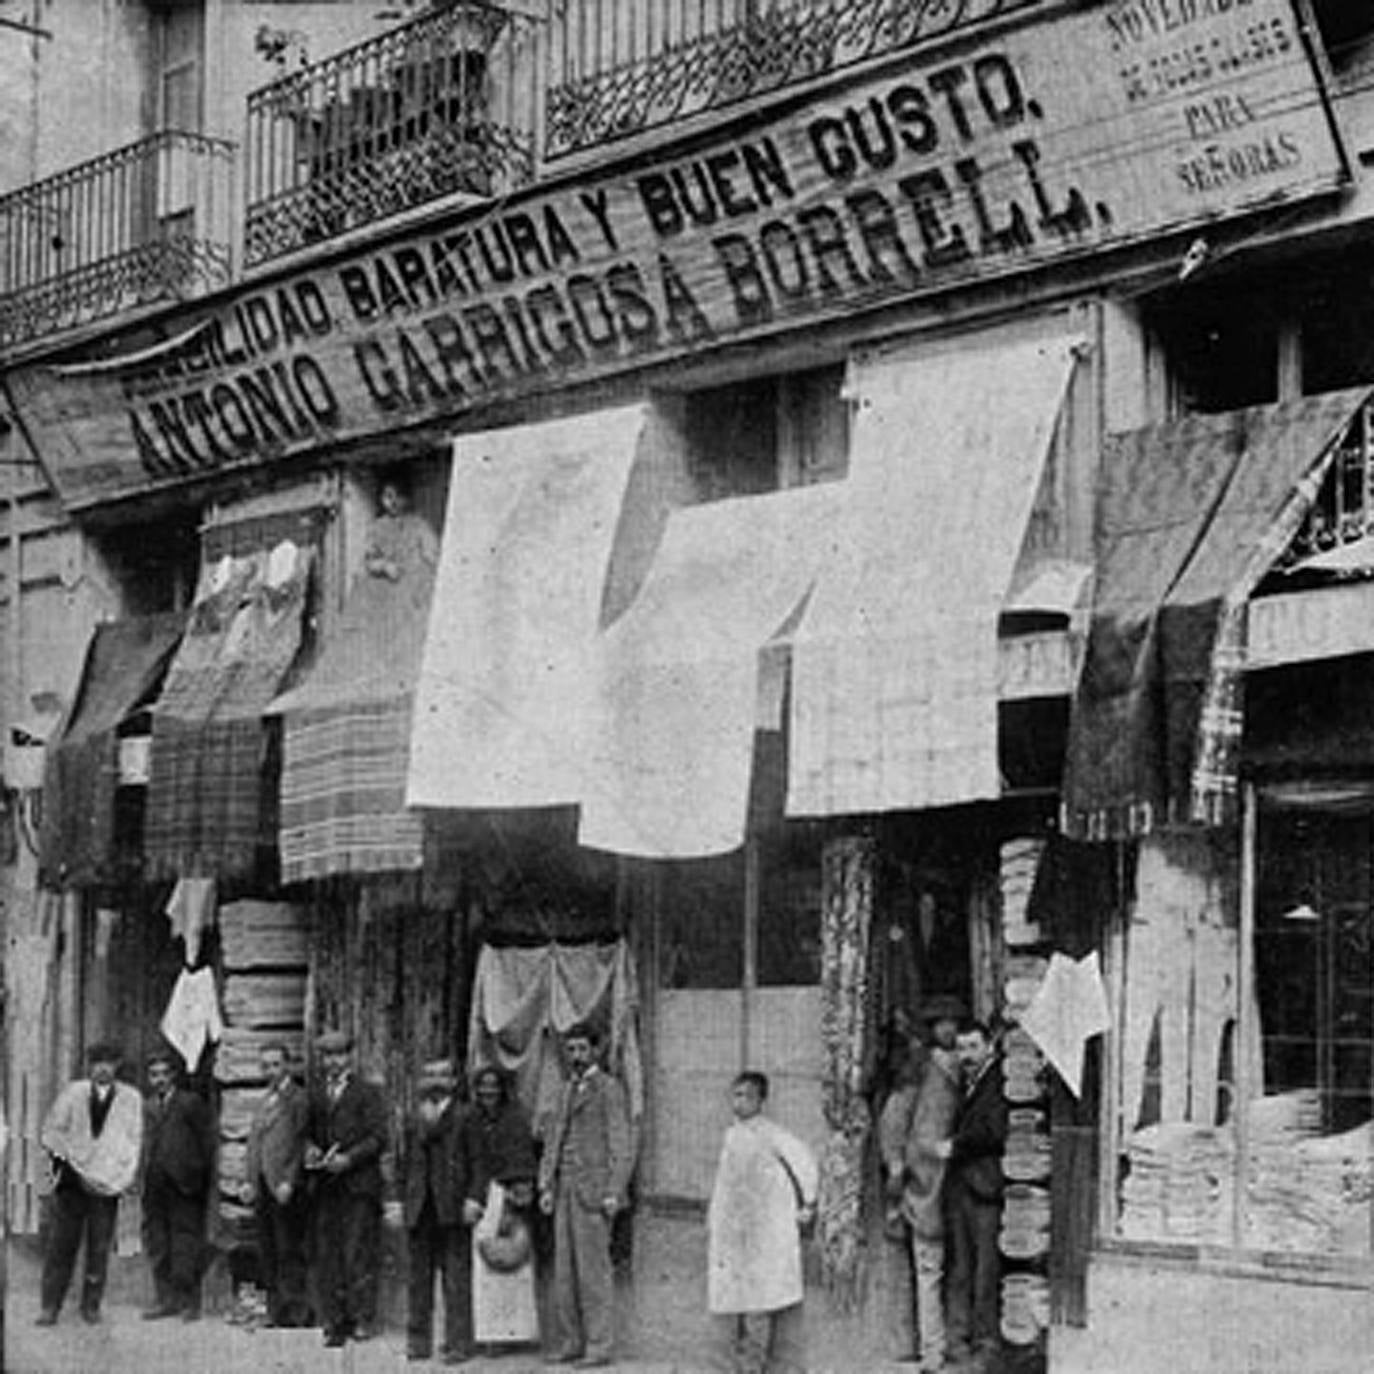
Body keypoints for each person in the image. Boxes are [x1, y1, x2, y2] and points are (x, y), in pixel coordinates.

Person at [706, 1070, 818, 1374]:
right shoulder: (731, 1136)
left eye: (747, 1096)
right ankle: (740, 1365)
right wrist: (716, 1220)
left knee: (760, 1300)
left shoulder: (771, 1134)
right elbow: (724, 1185)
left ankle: (756, 1365)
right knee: (737, 1301)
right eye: (736, 1095)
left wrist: (808, 1201)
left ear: (761, 1101)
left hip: (764, 1231)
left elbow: (804, 1162)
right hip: (736, 1231)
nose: (739, 1102)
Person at [538, 1021, 633, 1368]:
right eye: (571, 1049)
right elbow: (554, 1140)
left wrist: (614, 1191)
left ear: (595, 1051)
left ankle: (599, 1346)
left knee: (593, 1275)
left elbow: (621, 1145)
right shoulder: (565, 1090)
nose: (576, 1055)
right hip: (564, 1190)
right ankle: (571, 1342)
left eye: (582, 1049)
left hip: (593, 1193)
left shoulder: (609, 1089)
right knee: (565, 1273)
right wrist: (546, 1184)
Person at [879, 997, 965, 1372]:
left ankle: (951, 1344)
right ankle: (930, 1350)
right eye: (940, 1023)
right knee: (928, 1267)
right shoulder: (919, 1068)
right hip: (925, 1180)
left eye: (954, 1023)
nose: (948, 1030)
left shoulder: (964, 1066)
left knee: (950, 1268)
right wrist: (898, 1168)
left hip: (956, 1182)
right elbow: (893, 1123)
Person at [36, 1042, 143, 1325]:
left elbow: (133, 1142)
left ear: (117, 1065)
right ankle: (50, 1306)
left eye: (109, 1062)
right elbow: (51, 1132)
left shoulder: (130, 1098)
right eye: (97, 1062)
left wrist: (119, 1178)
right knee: (62, 1245)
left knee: (99, 1246)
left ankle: (91, 1306)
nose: (103, 1068)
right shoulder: (73, 1093)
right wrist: (70, 1167)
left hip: (106, 1185)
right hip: (72, 1183)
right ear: (89, 1066)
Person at [305, 1027, 389, 1347]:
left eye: (339, 1055)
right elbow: (310, 1134)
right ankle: (335, 1320)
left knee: (358, 1253)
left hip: (358, 1186)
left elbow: (378, 1138)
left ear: (350, 1057)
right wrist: (311, 1150)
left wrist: (349, 1160)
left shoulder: (367, 1092)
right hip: (327, 1187)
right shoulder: (317, 1093)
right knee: (330, 1255)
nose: (333, 1062)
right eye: (327, 1056)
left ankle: (363, 1318)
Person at [942, 1020, 1008, 1373]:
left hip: (985, 1189)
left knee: (984, 1271)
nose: (965, 1055)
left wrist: (955, 1145)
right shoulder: (967, 1083)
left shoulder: (998, 1082)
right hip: (964, 1187)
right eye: (961, 1048)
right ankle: (959, 1344)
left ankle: (986, 1349)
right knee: (962, 1268)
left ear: (988, 1047)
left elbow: (994, 1132)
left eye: (972, 1047)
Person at [463, 1065, 538, 1351]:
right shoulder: (472, 1118)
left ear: (503, 1089)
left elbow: (522, 1157)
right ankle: (489, 1333)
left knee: (512, 1265)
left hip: (508, 1195)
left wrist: (518, 1194)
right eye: (483, 1086)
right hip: (482, 1196)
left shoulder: (515, 1118)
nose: (488, 1092)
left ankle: (513, 1334)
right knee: (485, 1268)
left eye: (493, 1086)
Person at [403, 1057, 473, 1365]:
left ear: (455, 1082)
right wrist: (397, 1199)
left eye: (442, 1075)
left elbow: (479, 1161)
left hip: (453, 1205)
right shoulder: (413, 1116)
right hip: (420, 1205)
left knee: (455, 1277)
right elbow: (401, 1160)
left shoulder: (465, 1116)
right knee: (419, 1279)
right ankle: (419, 1342)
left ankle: (458, 1343)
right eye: (429, 1075)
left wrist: (475, 1198)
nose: (435, 1081)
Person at [240, 1041, 312, 1327]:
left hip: (284, 1188)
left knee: (288, 1248)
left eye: (276, 1064)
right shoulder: (265, 1100)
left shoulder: (298, 1099)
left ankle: (297, 1311)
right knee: (267, 1249)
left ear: (288, 1066)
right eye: (266, 1065)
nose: (270, 1070)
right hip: (263, 1186)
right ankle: (275, 1310)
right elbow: (255, 1144)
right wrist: (249, 1181)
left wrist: (290, 1181)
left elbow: (301, 1143)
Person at [141, 1047, 215, 1321]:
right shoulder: (148, 1106)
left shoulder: (190, 1103)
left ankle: (189, 1302)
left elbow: (208, 1143)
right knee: (159, 1244)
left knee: (186, 1243)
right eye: (153, 1075)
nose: (159, 1080)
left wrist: (196, 1174)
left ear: (173, 1076)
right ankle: (166, 1300)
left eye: (164, 1074)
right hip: (155, 1185)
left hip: (185, 1185)